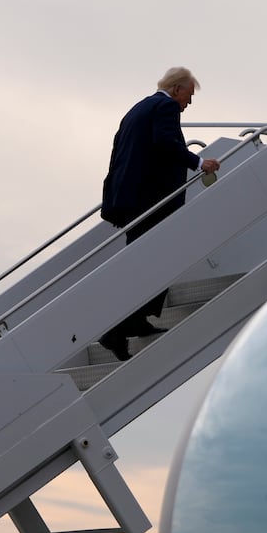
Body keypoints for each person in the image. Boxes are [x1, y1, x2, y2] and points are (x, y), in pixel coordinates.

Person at [97, 66, 220, 361]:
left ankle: (136, 321)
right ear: (177, 89)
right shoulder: (165, 107)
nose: (187, 105)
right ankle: (117, 330)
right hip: (152, 200)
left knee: (145, 260)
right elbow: (165, 143)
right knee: (162, 257)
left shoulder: (138, 108)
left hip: (130, 198)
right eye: (188, 97)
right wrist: (199, 161)